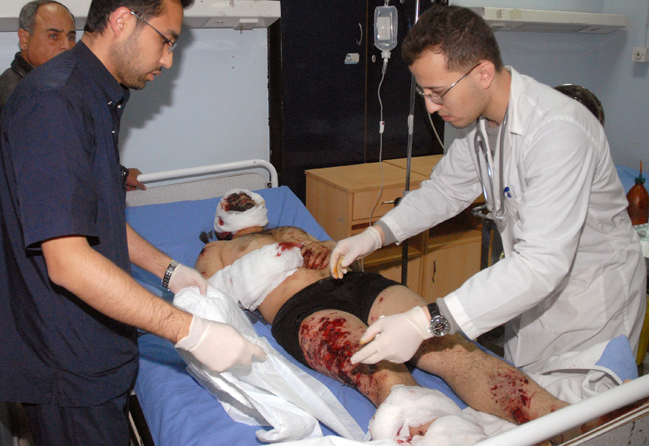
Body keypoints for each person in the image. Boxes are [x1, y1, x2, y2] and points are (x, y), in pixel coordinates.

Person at [0, 0, 265, 446]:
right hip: (66, 365)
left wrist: (170, 271)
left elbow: (97, 214)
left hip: (94, 349)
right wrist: (188, 331)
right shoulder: (54, 103)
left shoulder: (96, 95)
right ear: (122, 21)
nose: (168, 59)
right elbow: (69, 262)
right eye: (167, 40)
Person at [329, 4, 646, 386]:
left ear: (482, 73)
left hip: (590, 312)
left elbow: (542, 263)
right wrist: (375, 235)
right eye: (423, 93)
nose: (430, 105)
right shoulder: (480, 129)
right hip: (534, 303)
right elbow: (443, 192)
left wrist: (425, 321)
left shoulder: (559, 131)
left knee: (578, 424)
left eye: (438, 92)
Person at [194, 190, 588, 443]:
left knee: (456, 350)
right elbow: (204, 299)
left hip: (358, 284)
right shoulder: (215, 253)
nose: (241, 202)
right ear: (220, 220)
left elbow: (338, 248)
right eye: (233, 202)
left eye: (247, 198)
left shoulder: (292, 226)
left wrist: (329, 248)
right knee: (383, 371)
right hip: (303, 309)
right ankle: (447, 435)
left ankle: (581, 427)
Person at [0, 0, 145, 190]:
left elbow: (66, 160)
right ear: (24, 39)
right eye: (53, 36)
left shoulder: (50, 91)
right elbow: (10, 189)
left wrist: (118, 175)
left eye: (70, 37)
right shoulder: (8, 102)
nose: (66, 47)